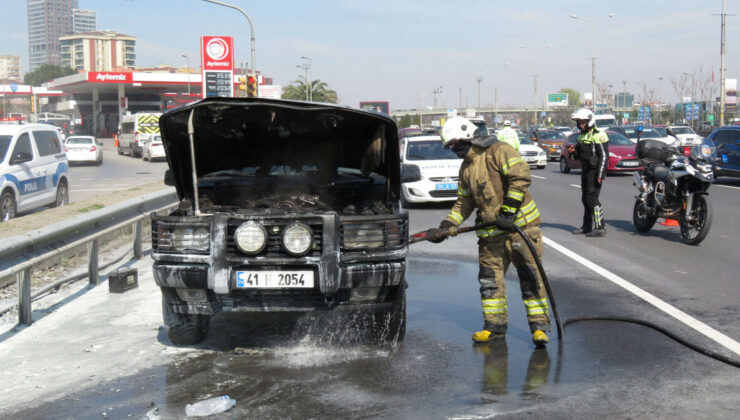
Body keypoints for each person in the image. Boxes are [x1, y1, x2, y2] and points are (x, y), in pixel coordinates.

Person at [427, 116, 550, 346]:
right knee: (489, 282)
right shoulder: (466, 168)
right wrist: (447, 226)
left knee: (531, 279)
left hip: (520, 228)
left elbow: (521, 175)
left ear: (467, 136)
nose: (453, 149)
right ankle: (494, 327)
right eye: (450, 146)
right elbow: (464, 202)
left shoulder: (498, 151)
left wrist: (509, 210)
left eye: (454, 143)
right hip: (491, 235)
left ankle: (539, 328)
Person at [567, 108, 609, 237]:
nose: (580, 125)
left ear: (590, 121)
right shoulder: (581, 136)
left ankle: (600, 227)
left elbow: (604, 157)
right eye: (579, 122)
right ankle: (586, 226)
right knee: (585, 199)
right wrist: (572, 153)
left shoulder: (599, 135)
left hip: (595, 171)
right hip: (585, 171)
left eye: (583, 122)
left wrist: (601, 174)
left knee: (592, 198)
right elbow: (576, 157)